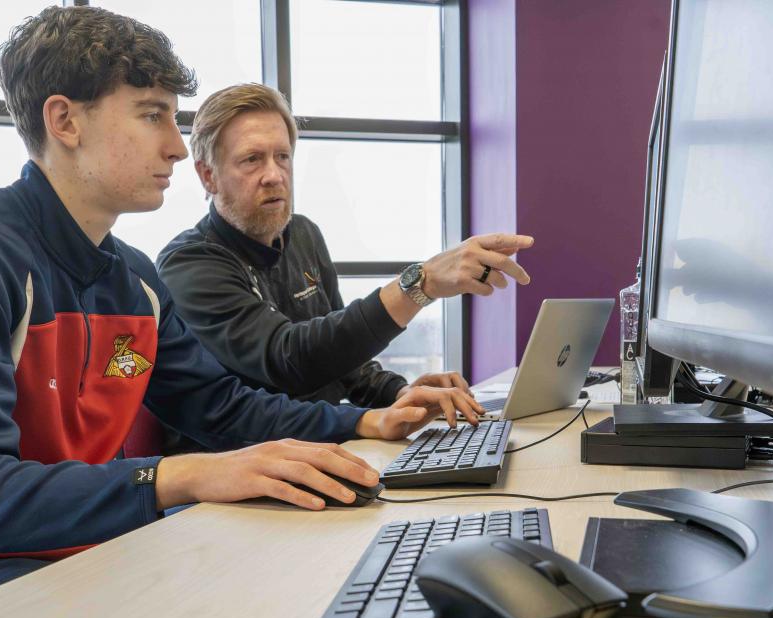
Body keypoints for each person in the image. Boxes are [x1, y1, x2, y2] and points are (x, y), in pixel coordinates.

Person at [0, 6, 478, 618]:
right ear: (63, 120)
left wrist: (365, 421)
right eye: (151, 116)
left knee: (304, 602)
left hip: (83, 546)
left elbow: (221, 410)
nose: (175, 146)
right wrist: (186, 474)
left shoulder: (134, 279)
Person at [156, 83, 533, 453]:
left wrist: (402, 394)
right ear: (208, 175)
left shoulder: (302, 234)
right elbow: (288, 359)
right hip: (237, 475)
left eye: (282, 156)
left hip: (323, 448)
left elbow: (341, 362)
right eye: (252, 159)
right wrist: (422, 283)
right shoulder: (190, 265)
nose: (274, 175)